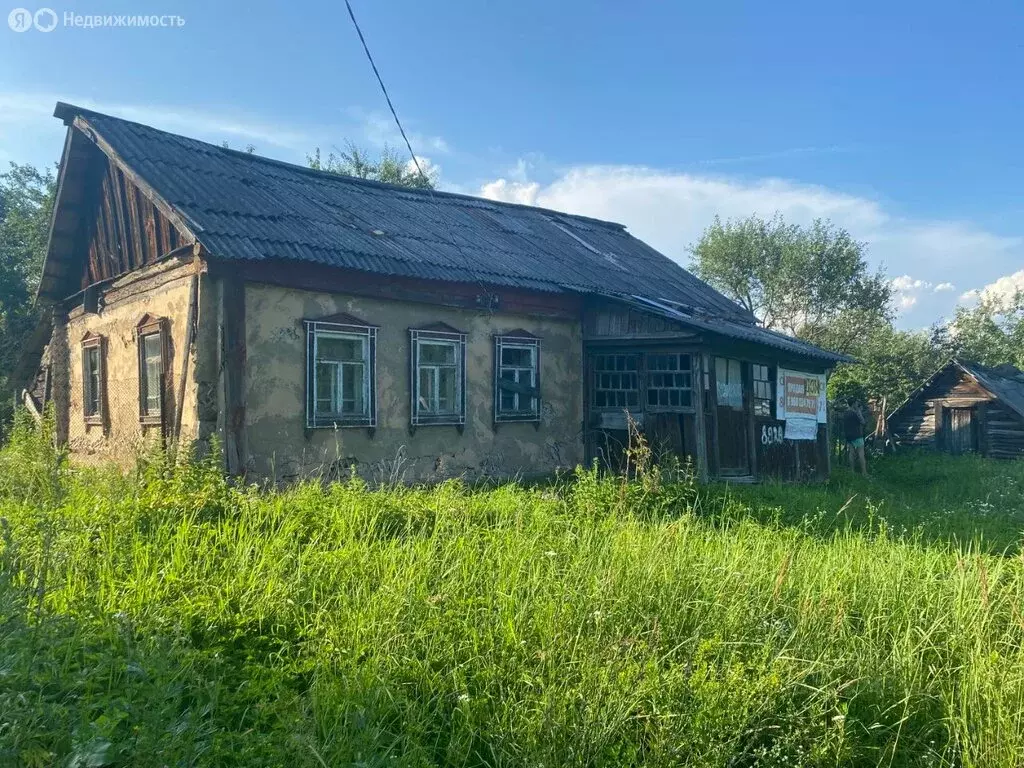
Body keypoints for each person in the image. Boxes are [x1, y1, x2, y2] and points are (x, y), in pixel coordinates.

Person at [842, 400, 869, 477]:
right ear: (853, 404)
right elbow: (863, 422)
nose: (857, 405)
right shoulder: (854, 413)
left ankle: (852, 471)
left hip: (849, 435)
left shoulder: (845, 413)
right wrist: (859, 412)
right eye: (856, 404)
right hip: (857, 435)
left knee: (851, 453)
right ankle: (864, 472)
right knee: (861, 453)